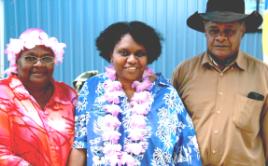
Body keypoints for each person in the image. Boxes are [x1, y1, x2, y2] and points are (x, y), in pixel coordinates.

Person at [68, 21, 201, 165]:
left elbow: (187, 150)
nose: (132, 60)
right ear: (110, 54)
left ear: (148, 57)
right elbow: (80, 146)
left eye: (139, 54)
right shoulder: (92, 88)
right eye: (124, 53)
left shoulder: (166, 94)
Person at [172, 0, 268, 165]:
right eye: (214, 30)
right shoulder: (183, 73)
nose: (221, 38)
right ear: (205, 31)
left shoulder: (263, 75)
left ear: (242, 30)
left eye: (229, 31)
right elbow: (169, 129)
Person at [0, 28, 77, 165]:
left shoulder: (68, 95)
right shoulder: (3, 94)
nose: (39, 64)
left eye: (47, 58)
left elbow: (81, 143)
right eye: (30, 58)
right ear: (16, 62)